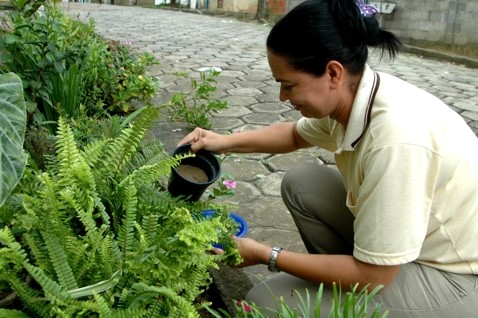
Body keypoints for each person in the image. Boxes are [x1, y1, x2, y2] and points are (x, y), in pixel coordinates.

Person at [178, 0, 478, 316]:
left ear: (332, 72)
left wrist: (266, 254)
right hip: (411, 245)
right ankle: (345, 283)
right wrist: (221, 141)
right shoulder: (356, 94)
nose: (282, 97)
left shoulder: (395, 141)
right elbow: (294, 135)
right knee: (302, 183)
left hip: (456, 275)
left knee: (265, 302)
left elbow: (374, 276)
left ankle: (353, 297)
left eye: (289, 85)